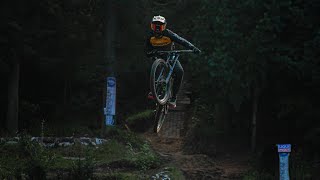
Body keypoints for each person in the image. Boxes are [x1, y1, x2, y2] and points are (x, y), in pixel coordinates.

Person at [145, 15, 200, 108]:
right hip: (158, 57)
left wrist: (192, 47)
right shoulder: (150, 37)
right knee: (154, 68)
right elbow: (147, 50)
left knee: (179, 72)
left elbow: (181, 40)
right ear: (151, 26)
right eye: (155, 27)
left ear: (164, 27)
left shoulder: (168, 34)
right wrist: (150, 53)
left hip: (171, 56)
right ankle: (154, 89)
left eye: (160, 27)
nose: (157, 30)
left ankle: (173, 98)